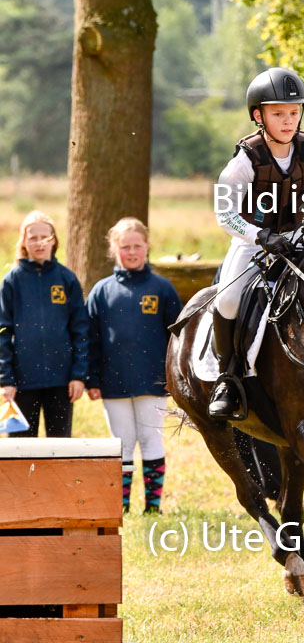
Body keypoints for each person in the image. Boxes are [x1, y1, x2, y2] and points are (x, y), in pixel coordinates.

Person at [210, 66, 304, 418]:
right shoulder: (245, 160)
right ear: (258, 116)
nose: (288, 121)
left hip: (299, 239)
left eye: (294, 113)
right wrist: (261, 236)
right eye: (278, 113)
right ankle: (227, 377)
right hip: (252, 243)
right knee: (229, 298)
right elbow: (226, 214)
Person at [86, 218, 181, 513]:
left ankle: (153, 507)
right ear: (114, 249)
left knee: (151, 440)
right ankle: (122, 506)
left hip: (153, 382)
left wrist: (173, 377)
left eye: (137, 246)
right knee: (122, 444)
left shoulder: (162, 289)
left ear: (147, 246)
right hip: (112, 383)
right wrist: (90, 379)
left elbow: (178, 338)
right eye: (124, 246)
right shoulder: (101, 291)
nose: (131, 252)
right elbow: (89, 338)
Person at [0, 211, 88, 437]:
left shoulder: (67, 279)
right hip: (22, 383)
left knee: (59, 448)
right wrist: (6, 379)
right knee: (22, 450)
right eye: (33, 237)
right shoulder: (12, 281)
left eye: (45, 237)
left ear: (54, 240)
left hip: (61, 381)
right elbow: (2, 332)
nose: (39, 242)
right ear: (24, 242)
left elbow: (80, 329)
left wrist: (78, 375)